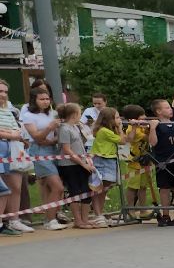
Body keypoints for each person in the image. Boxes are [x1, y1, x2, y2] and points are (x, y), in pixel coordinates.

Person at [22, 89, 66, 229]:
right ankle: (52, 220)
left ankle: (50, 218)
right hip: (39, 152)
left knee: (49, 187)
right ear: (34, 100)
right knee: (57, 186)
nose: (46, 101)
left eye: (47, 99)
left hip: (54, 150)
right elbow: (36, 137)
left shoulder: (52, 113)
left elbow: (54, 136)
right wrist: (49, 128)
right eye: (42, 99)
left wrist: (54, 138)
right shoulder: (29, 116)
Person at [53, 103, 99, 229]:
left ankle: (85, 219)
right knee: (74, 191)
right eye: (79, 113)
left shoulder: (75, 127)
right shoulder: (64, 128)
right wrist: (82, 163)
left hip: (80, 162)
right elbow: (67, 149)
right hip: (69, 165)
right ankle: (78, 220)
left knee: (86, 190)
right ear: (74, 114)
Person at [0, 81, 33, 234]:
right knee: (2, 189)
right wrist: (10, 134)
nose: (3, 95)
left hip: (12, 150)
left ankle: (14, 220)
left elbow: (17, 130)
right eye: (0, 91)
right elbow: (10, 132)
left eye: (6, 92)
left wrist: (11, 134)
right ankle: (3, 221)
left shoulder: (9, 110)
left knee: (15, 186)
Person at [119, 104, 156, 221]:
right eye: (142, 116)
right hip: (135, 163)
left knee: (143, 187)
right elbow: (146, 138)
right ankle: (130, 209)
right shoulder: (132, 129)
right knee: (132, 187)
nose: (145, 117)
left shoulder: (142, 126)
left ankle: (143, 209)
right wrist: (151, 128)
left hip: (145, 161)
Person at [89, 106, 122, 223]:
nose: (119, 120)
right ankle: (97, 213)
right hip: (102, 159)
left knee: (105, 189)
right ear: (110, 120)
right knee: (99, 188)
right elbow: (122, 140)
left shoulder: (109, 130)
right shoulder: (105, 131)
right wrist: (120, 127)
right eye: (117, 118)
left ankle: (99, 213)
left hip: (109, 159)